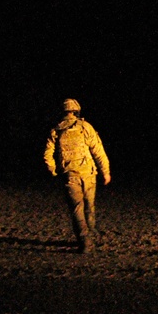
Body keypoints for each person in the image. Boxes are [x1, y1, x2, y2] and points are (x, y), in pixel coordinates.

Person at [43, 99, 111, 253]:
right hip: (89, 174)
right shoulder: (85, 127)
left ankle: (85, 242)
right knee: (89, 207)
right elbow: (98, 151)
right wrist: (105, 172)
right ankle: (91, 236)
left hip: (70, 176)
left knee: (77, 209)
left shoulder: (56, 130)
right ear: (76, 111)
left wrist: (54, 170)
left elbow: (47, 155)